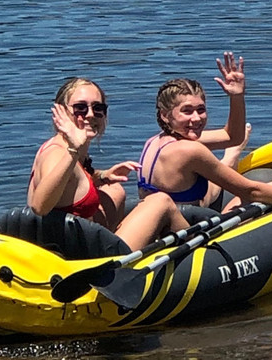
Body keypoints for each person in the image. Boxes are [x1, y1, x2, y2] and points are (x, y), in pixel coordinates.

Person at [136, 53, 272, 228]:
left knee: (219, 171)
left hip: (173, 222)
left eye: (201, 110)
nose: (196, 118)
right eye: (186, 111)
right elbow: (252, 191)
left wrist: (236, 97)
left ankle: (228, 160)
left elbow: (233, 137)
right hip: (186, 233)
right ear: (165, 115)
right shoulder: (189, 151)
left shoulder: (155, 142)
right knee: (246, 196)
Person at [27, 77, 192, 251]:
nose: (90, 114)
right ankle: (201, 254)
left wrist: (103, 175)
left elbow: (70, 182)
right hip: (78, 262)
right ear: (61, 112)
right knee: (161, 201)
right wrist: (74, 150)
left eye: (98, 108)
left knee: (114, 191)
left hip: (72, 246)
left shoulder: (65, 148)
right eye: (80, 108)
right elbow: (40, 206)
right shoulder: (58, 153)